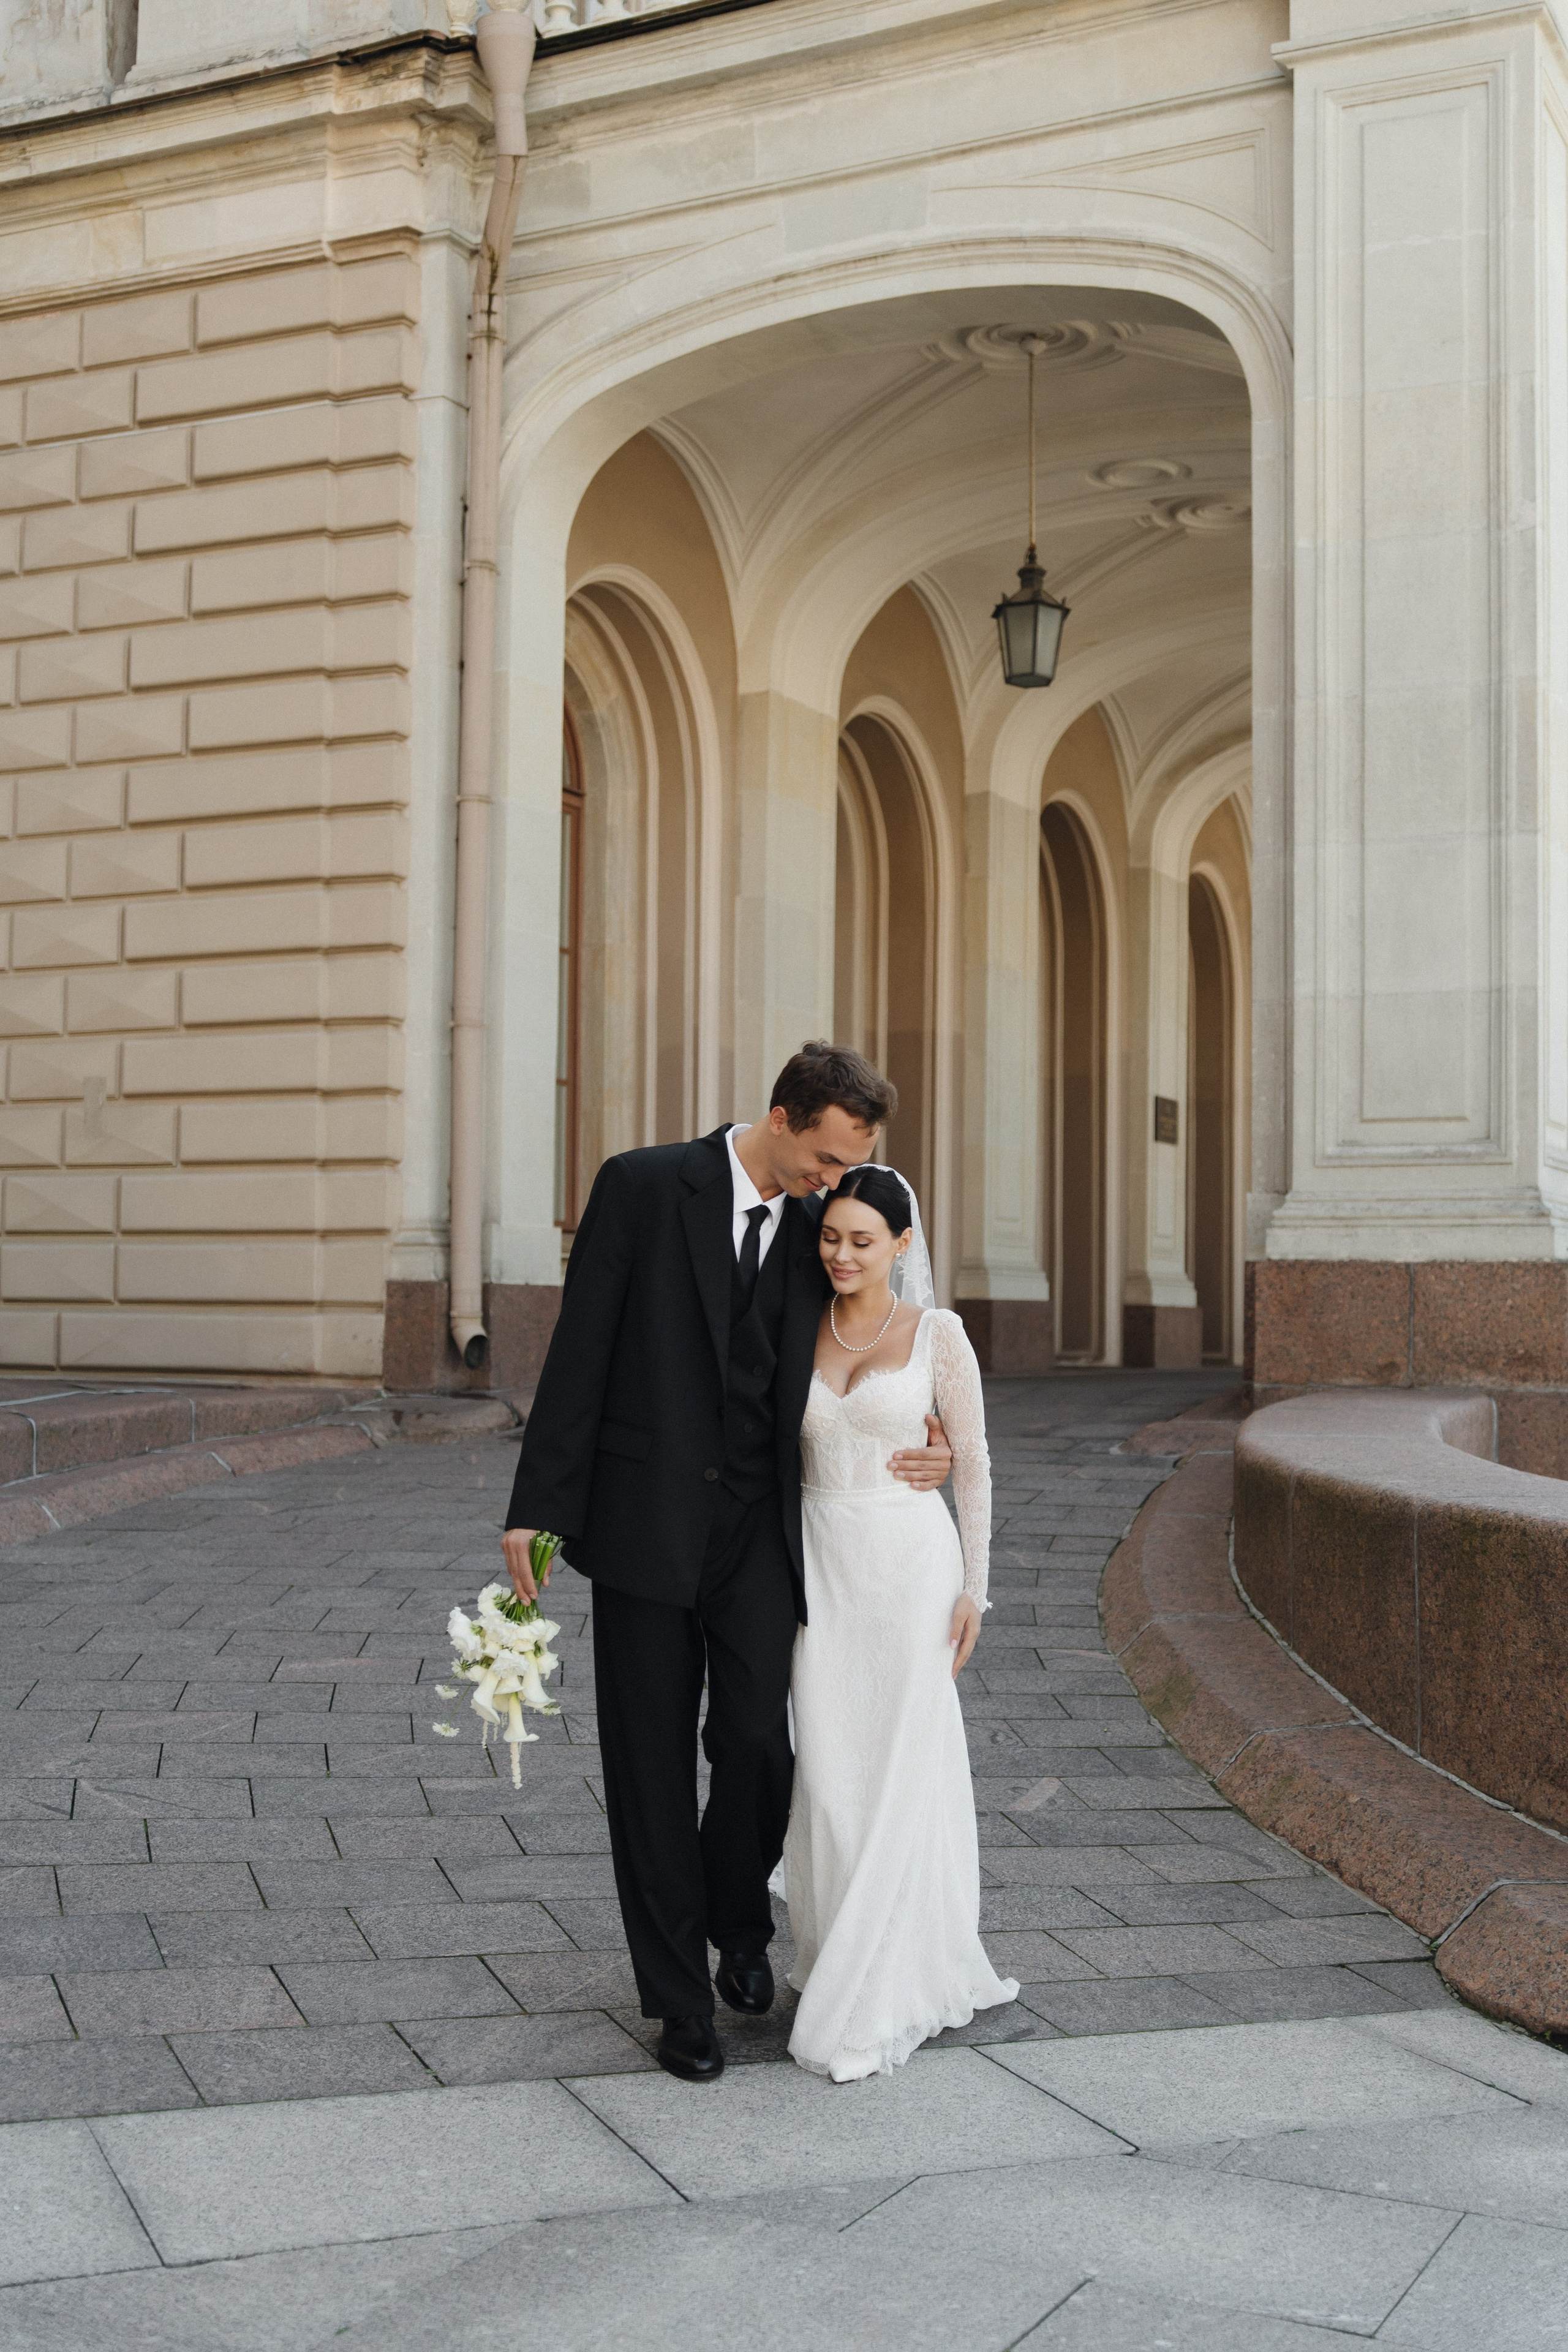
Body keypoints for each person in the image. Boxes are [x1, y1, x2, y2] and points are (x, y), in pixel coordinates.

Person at [500, 1044, 954, 2082]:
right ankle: (676, 2001)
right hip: (642, 1524)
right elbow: (583, 1350)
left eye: (851, 1169)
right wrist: (538, 1508)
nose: (835, 1184)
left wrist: (926, 1439)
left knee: (759, 1742)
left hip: (760, 1528)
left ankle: (739, 1926)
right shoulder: (646, 1186)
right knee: (650, 1766)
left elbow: (869, 1341)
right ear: (783, 1116)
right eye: (827, 1159)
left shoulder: (820, 1228)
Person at [780, 1161, 1019, 2079]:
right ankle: (833, 1938)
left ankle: (886, 1973)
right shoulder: (799, 1322)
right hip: (820, 1560)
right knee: (833, 1768)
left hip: (913, 1567)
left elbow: (977, 1464)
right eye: (831, 1237)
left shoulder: (937, 1333)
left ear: (903, 1246)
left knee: (900, 1765)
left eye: (862, 1241)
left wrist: (977, 1590)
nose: (842, 1255)